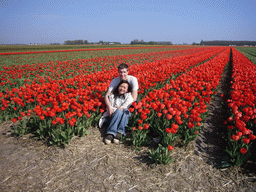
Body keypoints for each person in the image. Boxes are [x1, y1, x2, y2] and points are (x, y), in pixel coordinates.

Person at [100, 80, 134, 144]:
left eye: (124, 88)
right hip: (113, 116)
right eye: (121, 86)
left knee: (125, 111)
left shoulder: (129, 96)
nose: (122, 89)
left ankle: (120, 132)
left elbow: (126, 106)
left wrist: (118, 108)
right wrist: (118, 108)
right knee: (119, 111)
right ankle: (111, 133)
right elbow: (110, 107)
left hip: (124, 118)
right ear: (118, 87)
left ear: (127, 90)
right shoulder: (112, 96)